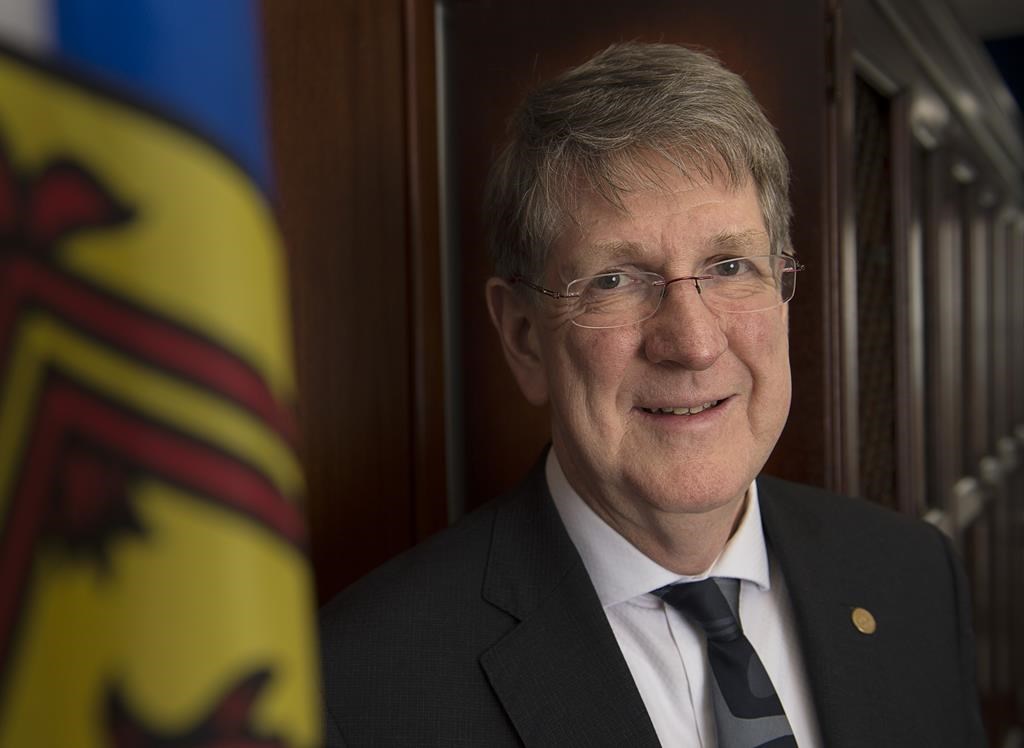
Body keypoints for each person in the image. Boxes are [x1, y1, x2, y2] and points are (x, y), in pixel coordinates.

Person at [319, 42, 985, 747]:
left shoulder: (912, 576)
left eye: (730, 266)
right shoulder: (362, 689)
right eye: (615, 280)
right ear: (523, 337)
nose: (693, 343)